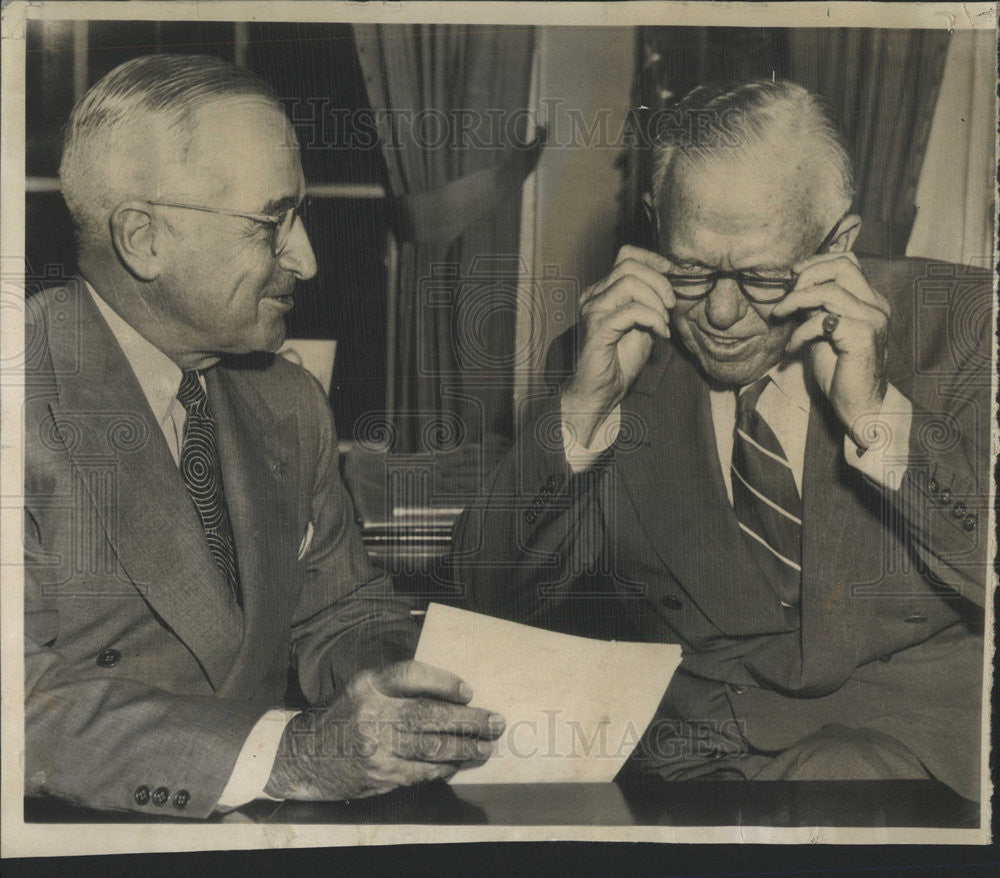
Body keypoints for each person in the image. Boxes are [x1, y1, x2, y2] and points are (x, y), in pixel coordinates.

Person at [451, 81, 989, 801]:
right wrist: (583, 411)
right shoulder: (605, 356)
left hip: (924, 764)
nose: (723, 313)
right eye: (693, 268)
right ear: (654, 228)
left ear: (841, 245)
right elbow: (486, 597)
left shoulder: (963, 328)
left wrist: (876, 415)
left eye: (765, 276)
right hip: (700, 770)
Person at [24, 54, 503, 819]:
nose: (306, 259)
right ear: (143, 238)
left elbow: (340, 616)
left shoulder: (286, 400)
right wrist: (298, 754)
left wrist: (404, 695)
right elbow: (22, 710)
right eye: (270, 222)